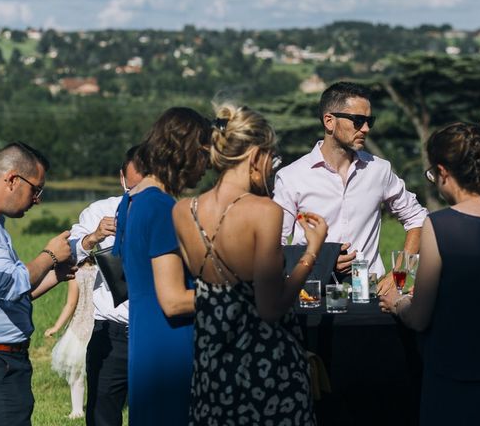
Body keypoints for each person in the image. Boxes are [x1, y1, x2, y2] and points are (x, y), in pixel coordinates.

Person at [173, 104, 327, 425]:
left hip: (210, 365)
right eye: (272, 158)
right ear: (256, 155)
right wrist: (311, 253)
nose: (272, 167)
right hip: (266, 367)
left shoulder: (183, 210)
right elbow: (270, 308)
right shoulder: (264, 211)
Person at [379, 122, 480, 425]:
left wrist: (396, 300)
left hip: (459, 381)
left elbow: (419, 316)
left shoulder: (441, 225)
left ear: (443, 172)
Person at [112, 107, 211, 426]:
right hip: (172, 349)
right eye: (204, 153)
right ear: (187, 150)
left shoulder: (132, 201)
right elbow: (172, 300)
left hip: (145, 344)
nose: (206, 165)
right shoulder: (163, 207)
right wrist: (234, 295)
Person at [273, 81, 427, 284]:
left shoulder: (379, 170)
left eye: (369, 121)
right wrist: (323, 262)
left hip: (369, 296)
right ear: (329, 121)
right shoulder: (291, 177)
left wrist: (400, 272)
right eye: (357, 120)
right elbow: (276, 246)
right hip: (311, 294)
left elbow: (418, 218)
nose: (365, 129)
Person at [0, 141, 75, 426]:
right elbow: (10, 284)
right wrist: (49, 255)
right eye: (36, 190)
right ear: (13, 179)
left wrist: (55, 275)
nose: (37, 200)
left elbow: (7, 297)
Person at [68, 146, 142, 426]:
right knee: (102, 414)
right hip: (110, 334)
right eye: (131, 185)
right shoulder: (98, 210)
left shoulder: (170, 211)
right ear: (121, 177)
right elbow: (70, 254)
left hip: (152, 330)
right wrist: (93, 237)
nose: (135, 193)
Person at [45, 261, 98, 420]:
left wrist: (56, 326)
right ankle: (96, 405)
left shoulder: (75, 274)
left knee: (76, 372)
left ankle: (77, 409)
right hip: (98, 324)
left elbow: (71, 303)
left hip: (79, 326)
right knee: (98, 371)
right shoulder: (101, 270)